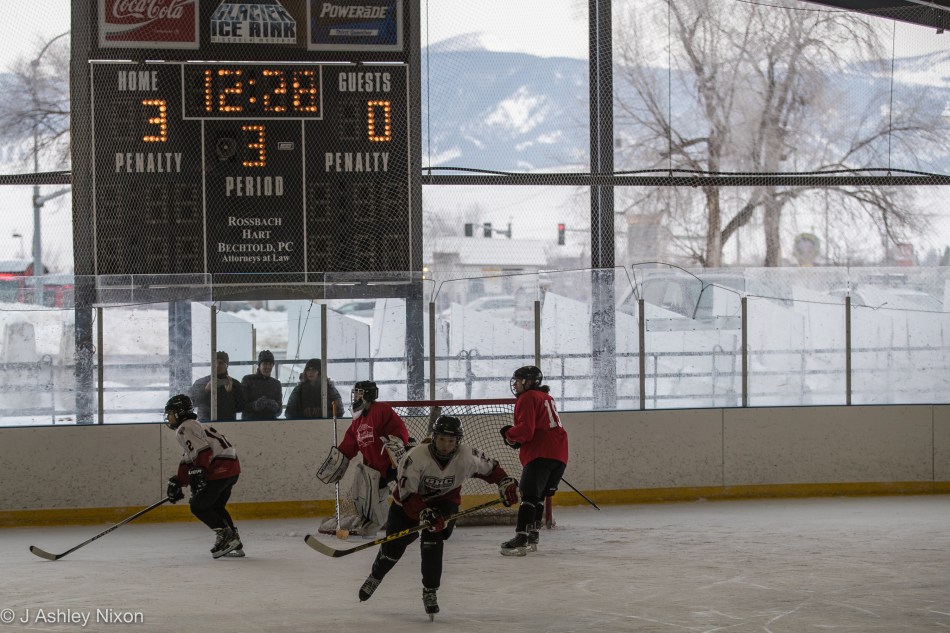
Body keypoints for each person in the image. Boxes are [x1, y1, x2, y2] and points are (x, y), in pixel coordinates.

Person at [357, 415, 519, 619]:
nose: (445, 445)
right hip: (408, 505)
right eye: (442, 439)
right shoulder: (415, 457)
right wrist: (423, 513)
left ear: (458, 441)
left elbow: (492, 470)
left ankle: (430, 591)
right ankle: (376, 576)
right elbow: (407, 495)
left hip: (444, 502)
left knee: (432, 540)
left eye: (451, 441)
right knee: (393, 549)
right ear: (434, 437)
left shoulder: (467, 455)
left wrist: (505, 482)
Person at [315, 380, 409, 536]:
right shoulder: (358, 418)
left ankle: (415, 519)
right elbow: (351, 442)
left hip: (390, 467)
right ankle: (366, 522)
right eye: (355, 392)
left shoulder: (381, 409)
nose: (356, 396)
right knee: (367, 499)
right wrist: (339, 460)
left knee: (405, 496)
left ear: (368, 394)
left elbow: (399, 431)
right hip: (373, 469)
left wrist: (396, 446)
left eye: (359, 392)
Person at [163, 394, 244, 558]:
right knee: (215, 506)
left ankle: (226, 537)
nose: (168, 417)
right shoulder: (194, 425)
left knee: (198, 506)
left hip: (220, 469)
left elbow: (203, 452)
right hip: (231, 469)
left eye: (170, 413)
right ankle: (234, 543)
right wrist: (179, 481)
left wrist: (199, 471)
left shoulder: (184, 428)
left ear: (179, 413)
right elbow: (190, 458)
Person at [499, 365, 568, 556]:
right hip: (560, 455)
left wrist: (508, 434)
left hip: (541, 453)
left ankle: (521, 537)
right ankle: (533, 535)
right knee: (537, 497)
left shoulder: (528, 397)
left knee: (529, 496)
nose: (516, 384)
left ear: (529, 382)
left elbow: (526, 430)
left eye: (519, 380)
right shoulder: (547, 397)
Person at [190, 351, 245, 421]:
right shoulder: (201, 382)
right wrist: (206, 390)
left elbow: (241, 407)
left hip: (228, 425)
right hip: (205, 424)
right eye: (214, 363)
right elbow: (192, 403)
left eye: (220, 363)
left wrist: (230, 393)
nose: (217, 365)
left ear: (227, 365)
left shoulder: (235, 384)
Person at [241, 349, 283, 420]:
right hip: (250, 423)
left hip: (271, 424)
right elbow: (241, 406)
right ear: (259, 365)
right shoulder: (248, 380)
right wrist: (254, 405)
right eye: (265, 364)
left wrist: (276, 407)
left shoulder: (276, 384)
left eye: (270, 364)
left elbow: (279, 411)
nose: (268, 367)